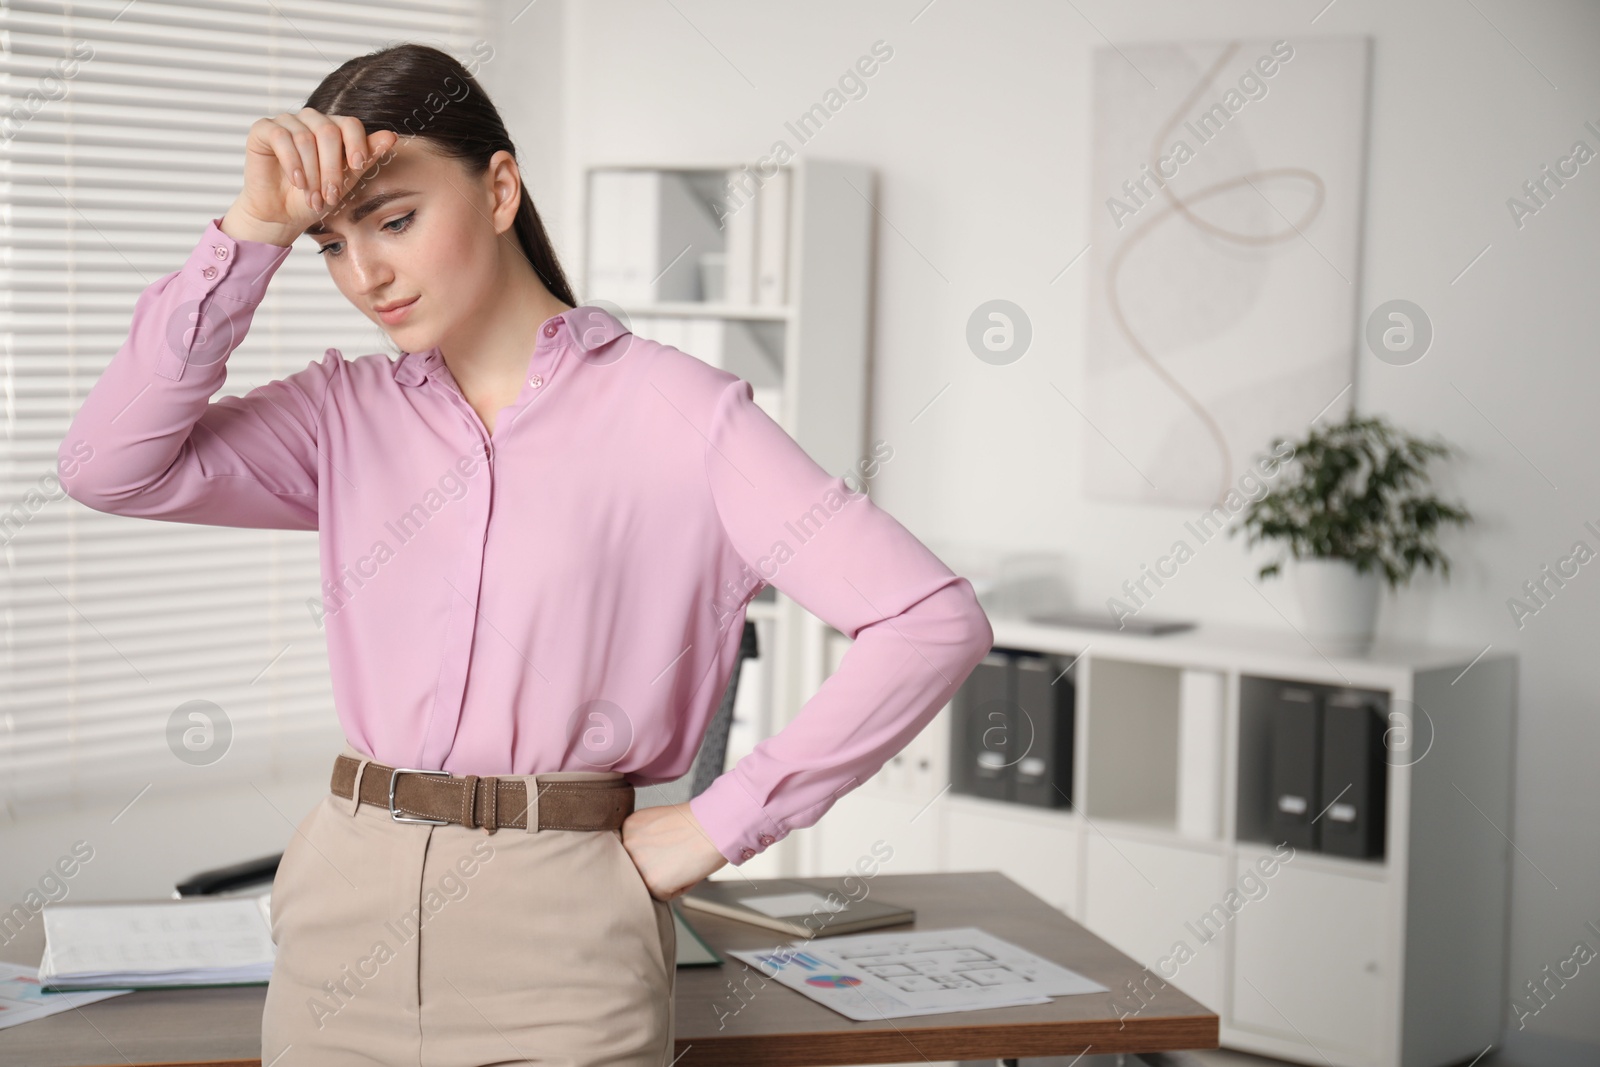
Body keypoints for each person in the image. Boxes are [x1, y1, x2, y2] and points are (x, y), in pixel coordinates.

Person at [55, 41, 993, 1067]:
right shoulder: (341, 414)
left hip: (564, 931)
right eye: (331, 243)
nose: (365, 273)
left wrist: (717, 823)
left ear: (498, 188)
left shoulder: (678, 413)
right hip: (343, 909)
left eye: (396, 219)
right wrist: (252, 234)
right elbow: (108, 465)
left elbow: (928, 619)